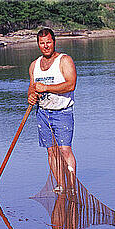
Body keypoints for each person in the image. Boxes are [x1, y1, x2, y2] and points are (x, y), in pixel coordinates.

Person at [28, 28, 77, 192]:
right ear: (38, 44)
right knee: (51, 151)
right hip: (42, 113)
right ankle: (61, 186)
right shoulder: (34, 65)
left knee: (64, 149)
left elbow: (71, 84)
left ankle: (72, 186)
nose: (46, 46)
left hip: (62, 111)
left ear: (54, 42)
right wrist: (31, 96)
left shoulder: (64, 60)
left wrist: (47, 88)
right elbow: (32, 88)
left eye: (48, 42)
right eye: (42, 43)